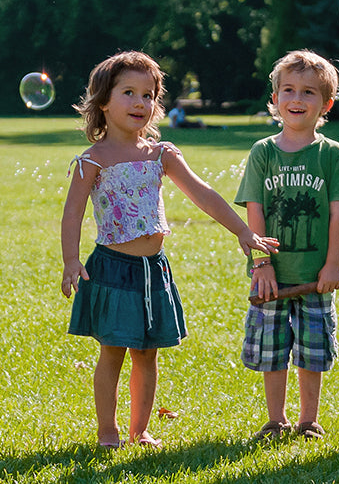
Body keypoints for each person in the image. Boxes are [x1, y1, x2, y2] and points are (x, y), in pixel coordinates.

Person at [60, 51, 278, 448]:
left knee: (148, 353)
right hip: (111, 267)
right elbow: (72, 214)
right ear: (103, 102)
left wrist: (243, 232)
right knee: (113, 352)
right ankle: (107, 431)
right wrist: (71, 261)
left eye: (148, 95)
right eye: (129, 93)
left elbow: (204, 195)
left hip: (153, 269)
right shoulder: (91, 161)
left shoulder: (161, 155)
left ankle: (139, 429)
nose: (140, 103)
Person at [236, 50, 339, 441]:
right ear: (274, 100)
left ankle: (309, 419)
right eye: (287, 90)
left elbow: (338, 215)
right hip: (270, 278)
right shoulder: (263, 153)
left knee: (313, 350)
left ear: (325, 103)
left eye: (308, 92)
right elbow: (253, 211)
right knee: (272, 352)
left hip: (315, 275)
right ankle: (276, 419)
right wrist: (263, 265)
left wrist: (332, 266)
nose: (296, 99)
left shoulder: (331, 155)